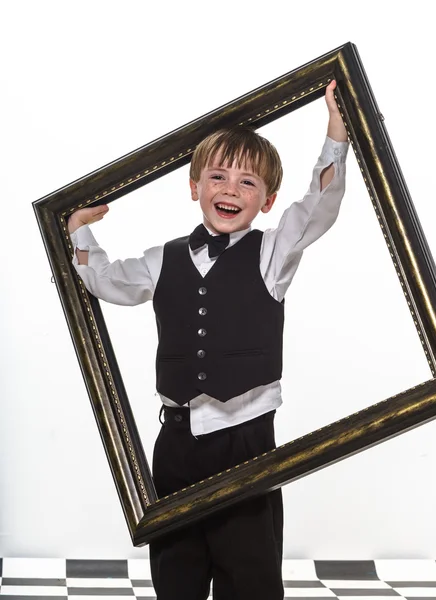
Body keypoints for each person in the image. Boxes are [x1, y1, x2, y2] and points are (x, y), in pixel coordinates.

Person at [68, 80, 349, 600]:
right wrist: (79, 230)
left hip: (244, 439)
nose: (231, 189)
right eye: (218, 176)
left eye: (248, 183)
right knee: (177, 567)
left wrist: (336, 129)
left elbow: (320, 204)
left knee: (249, 571)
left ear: (266, 202)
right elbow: (108, 281)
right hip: (174, 441)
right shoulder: (163, 258)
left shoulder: (273, 253)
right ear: (194, 186)